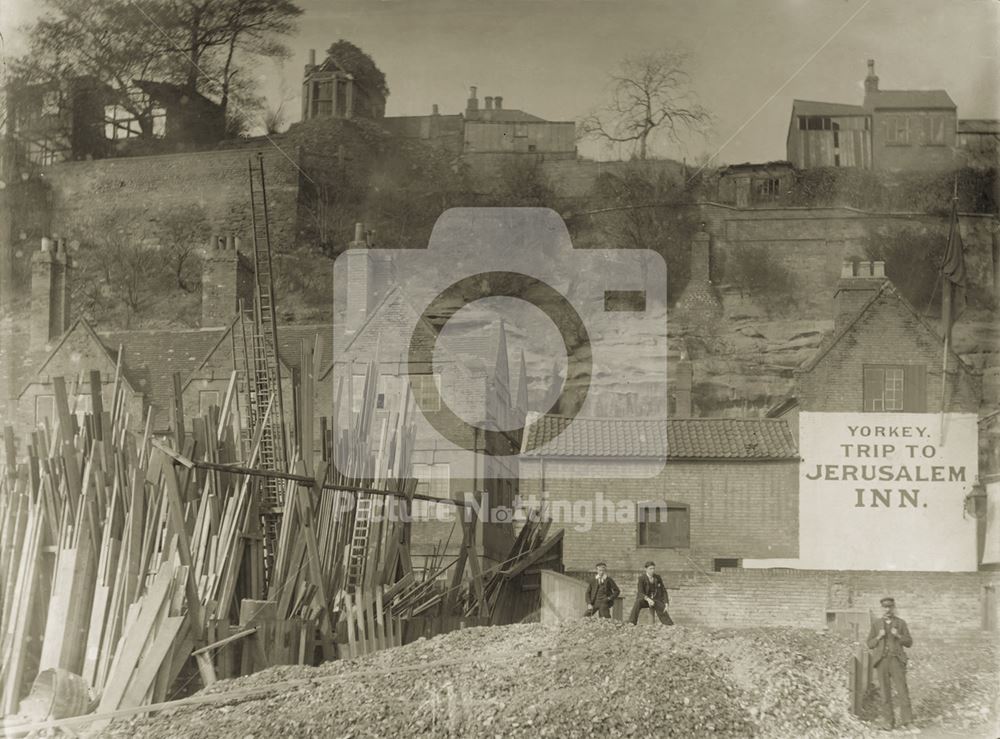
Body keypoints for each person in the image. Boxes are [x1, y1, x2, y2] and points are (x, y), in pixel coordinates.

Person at [865, 596, 913, 730]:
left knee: (902, 690)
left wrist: (898, 635)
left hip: (896, 661)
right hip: (882, 661)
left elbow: (909, 642)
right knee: (885, 693)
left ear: (893, 608)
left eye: (890, 607)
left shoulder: (901, 623)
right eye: (885, 607)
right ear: (881, 608)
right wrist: (879, 636)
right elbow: (869, 643)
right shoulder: (876, 624)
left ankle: (907, 721)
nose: (887, 609)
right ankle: (888, 722)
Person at [628, 561, 673, 625]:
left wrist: (666, 603)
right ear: (646, 569)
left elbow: (663, 591)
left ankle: (669, 625)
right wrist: (648, 599)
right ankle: (632, 622)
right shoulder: (641, 578)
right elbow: (640, 592)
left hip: (655, 600)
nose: (652, 570)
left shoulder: (658, 577)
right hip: (645, 600)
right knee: (638, 602)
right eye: (650, 569)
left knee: (662, 608)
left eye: (653, 568)